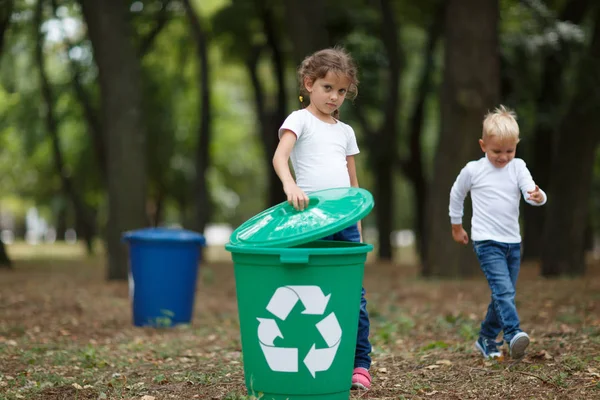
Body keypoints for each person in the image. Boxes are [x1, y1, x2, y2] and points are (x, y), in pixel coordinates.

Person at [272, 47, 373, 390]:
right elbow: (280, 157)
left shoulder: (345, 132)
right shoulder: (298, 120)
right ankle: (311, 357)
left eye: (342, 91)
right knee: (311, 290)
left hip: (345, 222)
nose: (334, 97)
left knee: (353, 295)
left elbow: (353, 181)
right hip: (310, 219)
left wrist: (357, 221)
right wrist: (290, 185)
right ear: (309, 84)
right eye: (327, 88)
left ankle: (360, 364)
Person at [449, 105, 547, 360]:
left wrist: (538, 196)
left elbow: (531, 191)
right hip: (486, 242)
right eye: (496, 151)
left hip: (513, 243)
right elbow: (456, 195)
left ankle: (485, 339)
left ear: (516, 146)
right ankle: (513, 333)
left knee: (503, 293)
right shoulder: (474, 170)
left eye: (509, 151)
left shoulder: (518, 167)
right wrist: (457, 226)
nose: (503, 157)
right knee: (503, 292)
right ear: (483, 145)